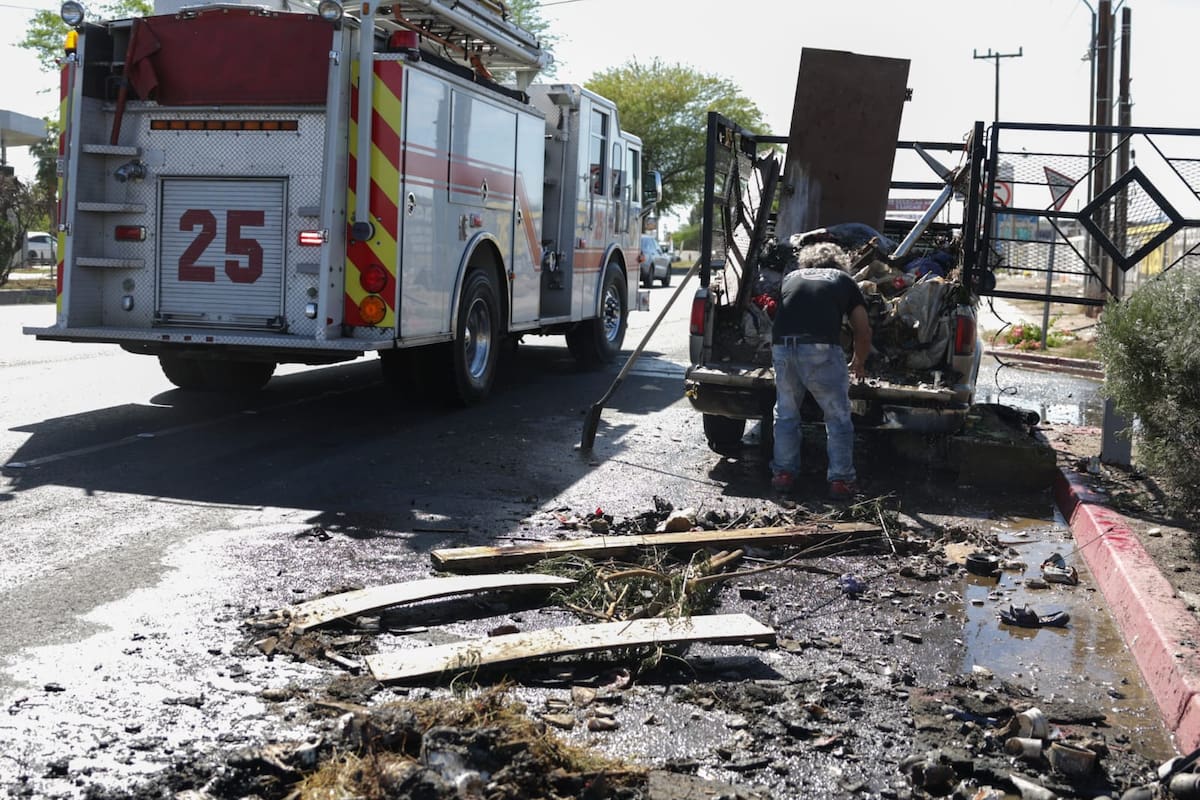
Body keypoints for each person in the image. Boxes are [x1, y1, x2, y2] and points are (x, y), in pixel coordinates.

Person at [769, 242, 872, 500]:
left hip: (782, 346)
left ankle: (783, 473)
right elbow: (863, 329)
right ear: (840, 263)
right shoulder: (843, 280)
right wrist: (859, 361)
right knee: (837, 416)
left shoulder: (791, 277)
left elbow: (777, 313)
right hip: (820, 349)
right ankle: (841, 479)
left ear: (806, 262)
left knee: (786, 413)